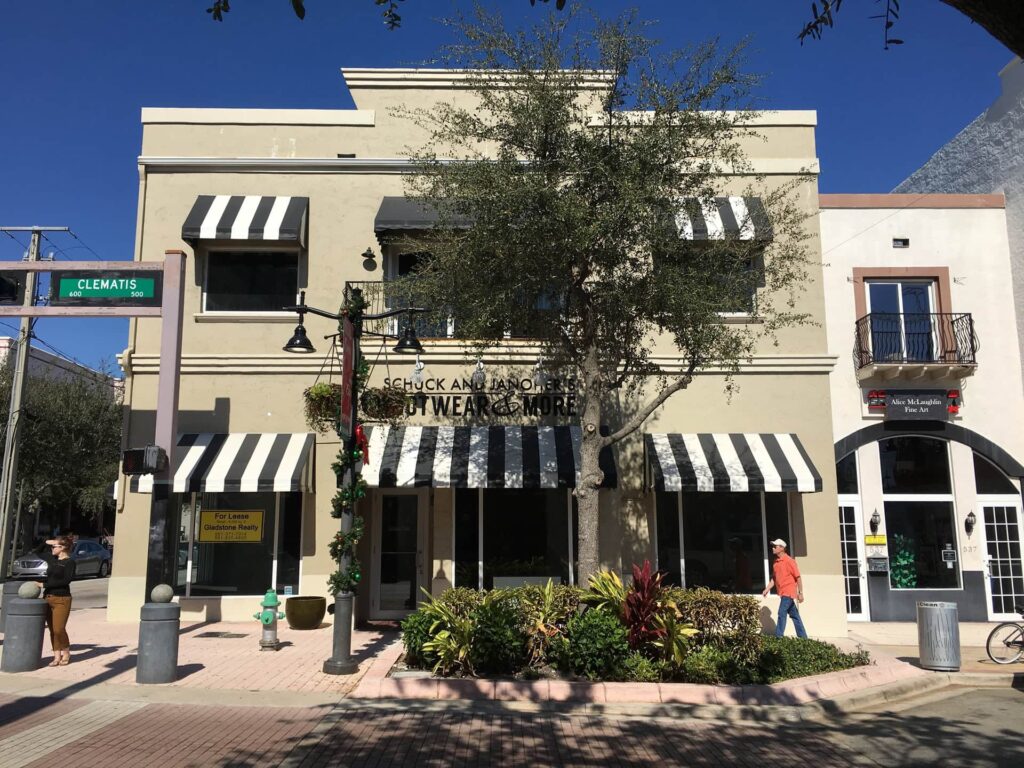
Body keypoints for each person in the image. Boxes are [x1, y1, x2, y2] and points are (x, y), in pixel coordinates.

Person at [34, 536, 77, 666]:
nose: (52, 549)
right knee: (52, 630)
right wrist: (46, 542)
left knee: (59, 629)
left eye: (54, 547)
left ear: (63, 548)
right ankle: (56, 656)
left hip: (62, 599)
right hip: (48, 598)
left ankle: (66, 652)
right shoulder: (52, 559)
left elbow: (65, 581)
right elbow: (38, 552)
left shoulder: (70, 562)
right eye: (52, 547)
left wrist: (44, 585)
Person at [761, 538, 807, 638]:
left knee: (781, 613)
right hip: (782, 593)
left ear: (782, 548)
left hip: (788, 592)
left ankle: (778, 637)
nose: (773, 548)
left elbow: (798, 577)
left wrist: (800, 593)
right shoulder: (776, 562)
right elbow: (774, 579)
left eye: (775, 546)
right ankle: (803, 638)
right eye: (772, 546)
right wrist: (767, 589)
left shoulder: (789, 561)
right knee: (795, 616)